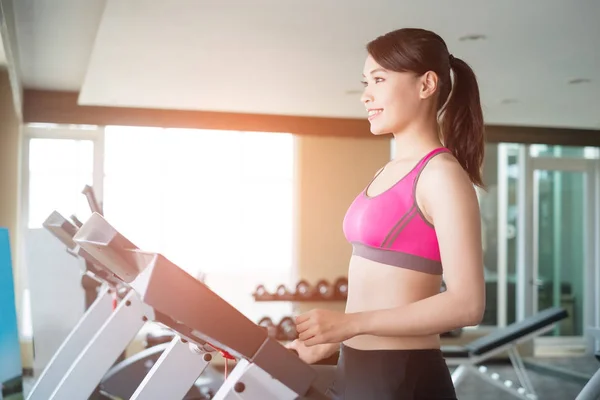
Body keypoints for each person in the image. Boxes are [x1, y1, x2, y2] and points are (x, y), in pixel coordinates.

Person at [287, 27, 486, 399]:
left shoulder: (441, 176)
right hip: (356, 370)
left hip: (404, 378)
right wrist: (327, 343)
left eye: (379, 79)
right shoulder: (388, 170)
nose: (366, 95)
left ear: (426, 84)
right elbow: (376, 289)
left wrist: (349, 324)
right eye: (366, 81)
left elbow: (467, 303)